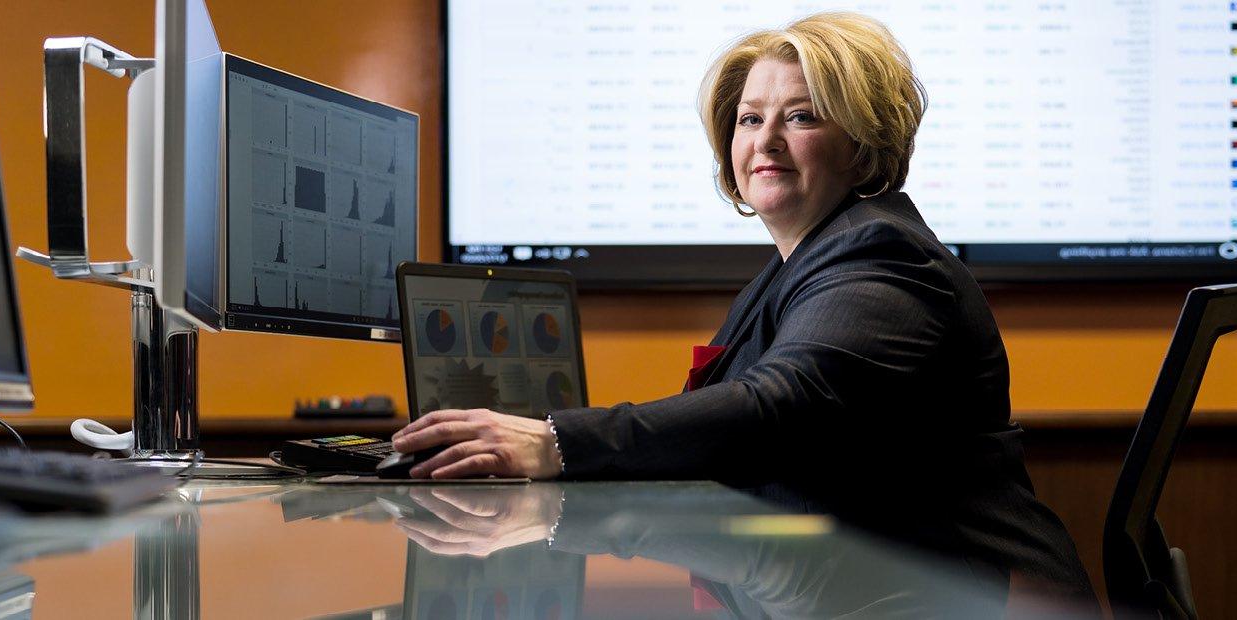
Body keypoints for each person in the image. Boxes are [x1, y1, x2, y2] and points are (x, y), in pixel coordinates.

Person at [393, 12, 1096, 604]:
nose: (764, 141)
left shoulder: (883, 256)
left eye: (802, 116)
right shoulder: (801, 262)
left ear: (864, 143)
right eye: (750, 119)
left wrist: (554, 442)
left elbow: (781, 405)